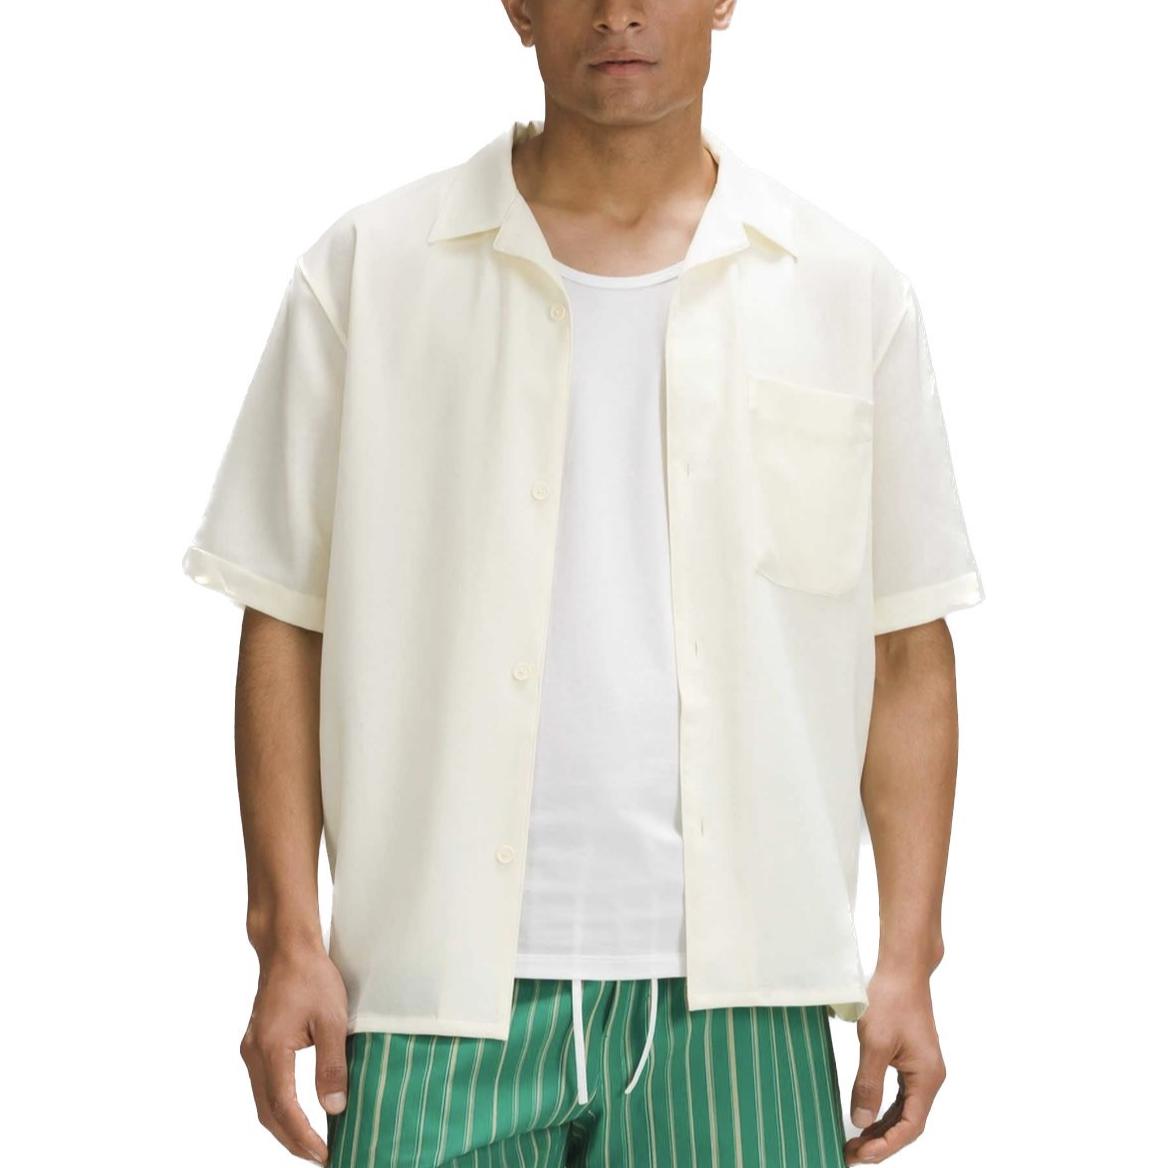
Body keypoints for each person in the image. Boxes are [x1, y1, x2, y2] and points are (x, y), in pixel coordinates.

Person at [181, 2, 984, 1165]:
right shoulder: (371, 271)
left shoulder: (843, 288)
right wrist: (285, 937)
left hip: (744, 995)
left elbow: (904, 648)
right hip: (426, 990)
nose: (618, 11)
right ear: (516, 4)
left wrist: (907, 957)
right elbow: (284, 618)